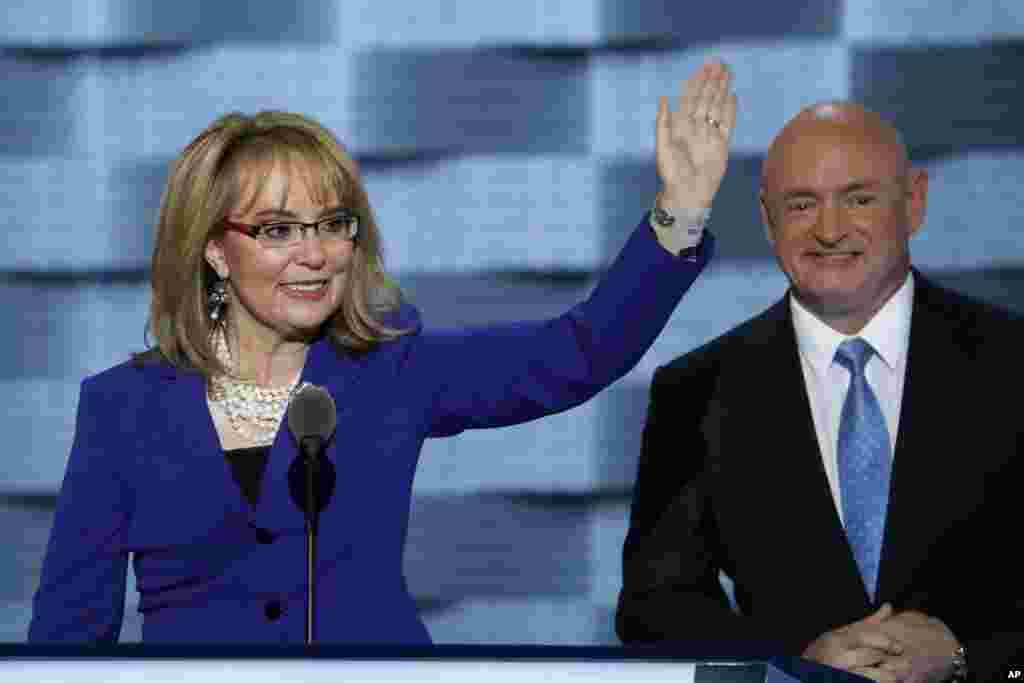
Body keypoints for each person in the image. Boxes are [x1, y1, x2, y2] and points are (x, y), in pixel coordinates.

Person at [28, 61, 737, 643]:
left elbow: (579, 352)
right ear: (215, 249)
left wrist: (680, 211)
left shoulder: (389, 367)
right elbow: (66, 639)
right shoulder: (122, 407)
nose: (313, 253)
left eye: (333, 224)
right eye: (277, 230)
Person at [616, 102, 1024, 682]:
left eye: (858, 199)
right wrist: (791, 670)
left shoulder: (1012, 363)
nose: (829, 230)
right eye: (802, 204)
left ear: (914, 202)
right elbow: (653, 612)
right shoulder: (696, 391)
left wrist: (966, 655)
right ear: (767, 219)